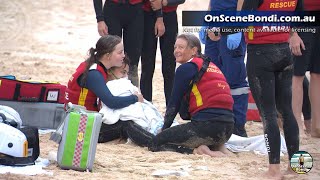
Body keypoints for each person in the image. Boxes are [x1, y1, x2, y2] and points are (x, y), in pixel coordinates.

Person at [241, 0, 302, 178]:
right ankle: (294, 167)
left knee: (268, 114)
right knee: (286, 111)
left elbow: (244, 19)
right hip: (284, 51)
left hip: (260, 52)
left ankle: (274, 168)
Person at [148, 33, 235, 157]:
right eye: (175, 47)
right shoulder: (211, 65)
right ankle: (219, 147)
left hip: (208, 127)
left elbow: (174, 104)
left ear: (194, 50)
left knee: (155, 143)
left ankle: (198, 151)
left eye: (181, 47)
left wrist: (164, 129)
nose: (176, 51)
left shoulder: (186, 68)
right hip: (228, 129)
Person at [65, 35, 152, 147]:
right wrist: (135, 98)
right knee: (126, 124)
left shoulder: (93, 65)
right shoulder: (94, 74)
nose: (123, 55)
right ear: (108, 56)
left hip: (78, 119)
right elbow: (112, 102)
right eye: (120, 52)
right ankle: (154, 143)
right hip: (81, 126)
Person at [200, 0, 249, 137]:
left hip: (230, 28)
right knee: (211, 76)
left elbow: (243, 6)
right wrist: (206, 21)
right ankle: (215, 122)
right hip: (213, 28)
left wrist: (236, 29)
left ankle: (238, 126)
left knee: (234, 79)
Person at [140, 0, 185, 105]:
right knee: (147, 65)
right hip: (148, 15)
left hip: (170, 15)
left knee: (170, 66)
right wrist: (159, 14)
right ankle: (147, 107)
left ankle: (171, 108)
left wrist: (165, 2)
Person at [93, 0, 146, 86]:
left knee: (133, 61)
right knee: (110, 55)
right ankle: (107, 91)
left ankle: (132, 92)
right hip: (113, 9)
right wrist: (100, 19)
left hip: (136, 10)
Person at [289, 0, 320, 138]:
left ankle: (316, 127)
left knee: (317, 75)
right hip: (301, 21)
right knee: (297, 76)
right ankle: (297, 126)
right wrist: (293, 33)